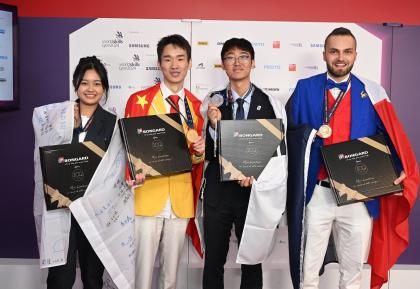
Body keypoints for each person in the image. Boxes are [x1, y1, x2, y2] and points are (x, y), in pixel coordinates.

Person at [286, 27, 419, 289]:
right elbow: (288, 133)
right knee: (308, 272)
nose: (340, 57)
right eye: (334, 51)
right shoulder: (304, 88)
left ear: (355, 55)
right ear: (324, 54)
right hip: (317, 194)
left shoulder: (372, 92)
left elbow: (389, 138)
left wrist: (396, 171)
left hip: (358, 194)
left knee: (353, 273)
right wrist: (309, 136)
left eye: (347, 52)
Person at [203, 38, 287, 289]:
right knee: (214, 260)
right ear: (223, 64)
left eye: (243, 57)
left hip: (253, 194)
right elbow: (204, 153)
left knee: (252, 262)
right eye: (230, 57)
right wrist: (214, 126)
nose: (237, 62)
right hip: (219, 191)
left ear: (253, 62)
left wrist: (257, 176)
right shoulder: (211, 101)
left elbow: (279, 155)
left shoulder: (272, 104)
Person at [124, 34, 205, 289]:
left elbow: (195, 159)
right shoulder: (140, 101)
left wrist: (201, 151)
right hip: (148, 197)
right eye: (168, 59)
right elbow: (128, 149)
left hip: (180, 200)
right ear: (160, 64)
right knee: (142, 275)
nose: (174, 65)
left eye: (180, 59)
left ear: (189, 63)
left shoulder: (197, 106)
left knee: (171, 278)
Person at [36, 56, 116, 289]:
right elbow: (43, 154)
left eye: (97, 83)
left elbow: (116, 167)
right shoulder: (58, 117)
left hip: (94, 210)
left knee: (93, 277)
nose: (90, 89)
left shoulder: (111, 122)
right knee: (61, 277)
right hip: (62, 209)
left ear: (104, 88)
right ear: (75, 84)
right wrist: (62, 129)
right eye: (85, 82)